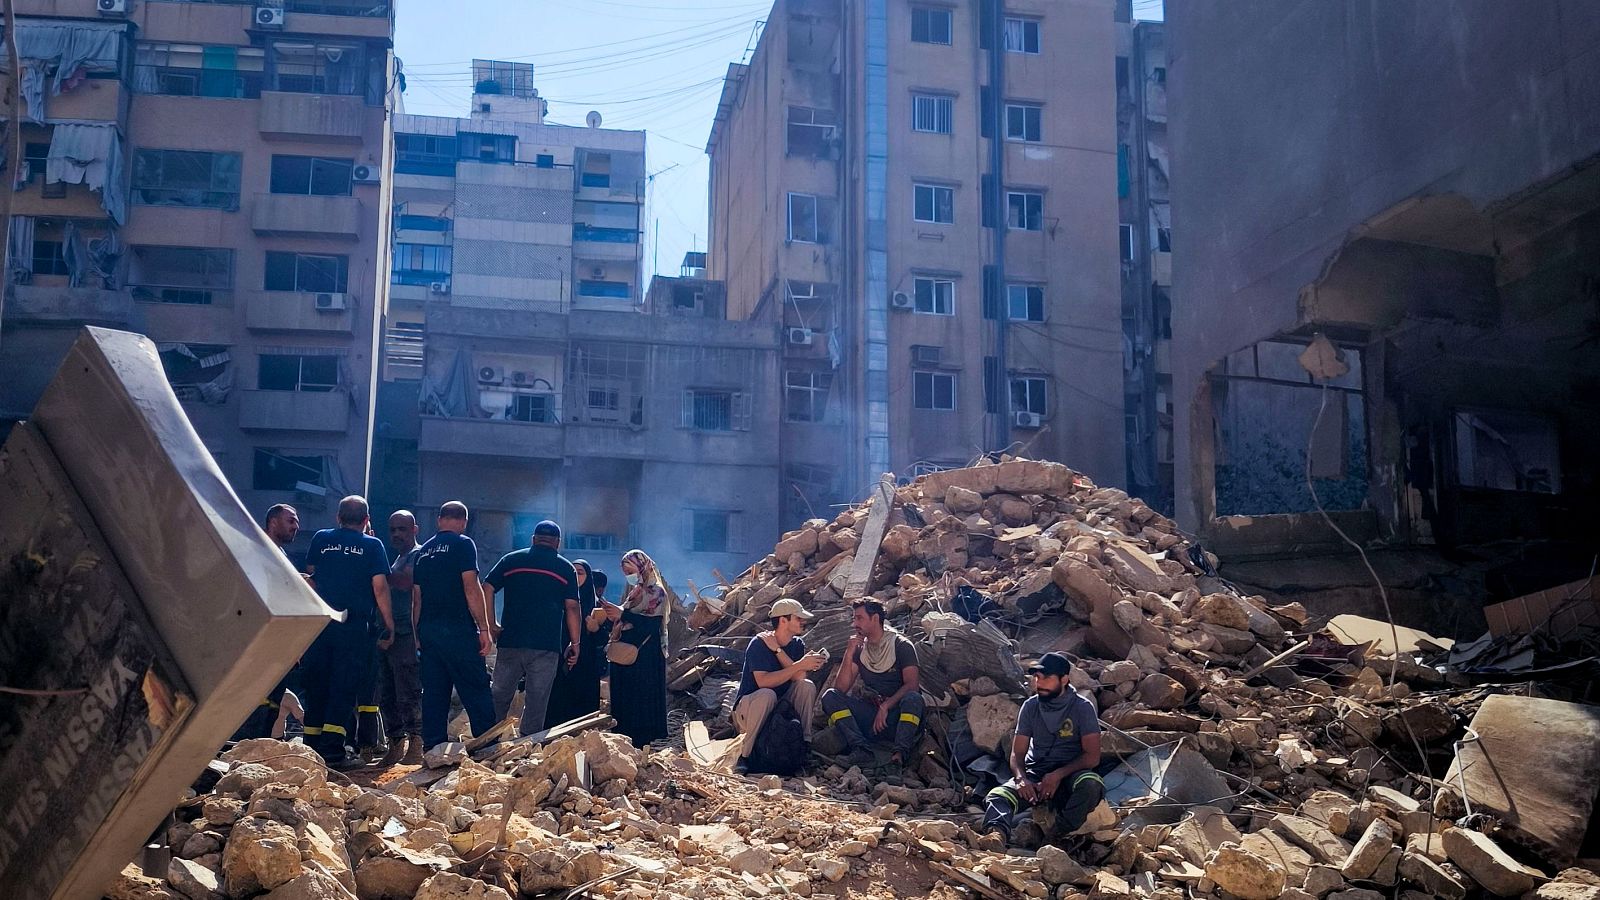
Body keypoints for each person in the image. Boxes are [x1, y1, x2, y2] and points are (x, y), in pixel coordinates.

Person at [300, 496, 394, 769]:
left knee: (317, 685)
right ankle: (333, 752)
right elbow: (379, 587)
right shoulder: (372, 545)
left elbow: (312, 574)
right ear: (366, 521)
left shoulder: (320, 538)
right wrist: (389, 624)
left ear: (338, 517)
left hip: (320, 625)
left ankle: (311, 749)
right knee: (343, 688)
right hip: (352, 628)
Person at [982, 652, 1104, 846]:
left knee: (1091, 784)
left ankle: (1057, 835)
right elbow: (1018, 752)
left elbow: (1092, 757)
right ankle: (996, 835)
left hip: (1070, 773)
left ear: (1064, 679)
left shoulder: (1082, 708)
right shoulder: (1030, 707)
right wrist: (1022, 779)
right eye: (1037, 677)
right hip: (1036, 772)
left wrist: (1057, 775)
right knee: (999, 795)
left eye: (1046, 678)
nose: (1039, 683)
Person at [482, 520, 583, 736]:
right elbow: (572, 607)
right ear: (557, 542)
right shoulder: (565, 568)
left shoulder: (512, 560)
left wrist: (491, 624)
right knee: (537, 700)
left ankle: (487, 741)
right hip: (545, 646)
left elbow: (487, 587)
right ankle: (528, 746)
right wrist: (575, 643)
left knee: (499, 695)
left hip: (511, 641)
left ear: (534, 539)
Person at [412, 501, 497, 752]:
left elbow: (417, 598)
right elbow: (471, 587)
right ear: (463, 522)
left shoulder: (422, 552)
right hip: (457, 629)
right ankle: (487, 745)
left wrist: (418, 634)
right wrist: (484, 628)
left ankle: (433, 746)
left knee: (435, 691)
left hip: (429, 631)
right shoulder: (463, 544)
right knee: (475, 686)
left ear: (439, 520)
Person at [818, 599, 925, 769]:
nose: (854, 624)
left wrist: (886, 706)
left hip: (897, 717)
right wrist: (849, 652)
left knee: (913, 699)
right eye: (854, 619)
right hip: (873, 716)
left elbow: (912, 685)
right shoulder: (860, 648)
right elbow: (840, 688)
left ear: (875, 618)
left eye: (859, 618)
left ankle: (898, 757)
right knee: (830, 697)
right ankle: (861, 749)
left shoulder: (901, 646)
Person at [232, 504, 304, 742]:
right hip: (259, 638)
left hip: (277, 640)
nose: (296, 526)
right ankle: (241, 750)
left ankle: (257, 749)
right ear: (273, 522)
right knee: (255, 699)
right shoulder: (257, 550)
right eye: (291, 521)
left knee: (273, 699)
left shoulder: (279, 554)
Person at [731, 598, 825, 775]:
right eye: (798, 618)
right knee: (767, 694)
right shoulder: (759, 644)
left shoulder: (797, 644)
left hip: (780, 704)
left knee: (807, 686)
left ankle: (803, 748)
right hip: (751, 706)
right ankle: (746, 755)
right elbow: (763, 682)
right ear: (783, 620)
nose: (803, 622)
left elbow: (799, 676)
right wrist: (800, 664)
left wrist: (778, 651)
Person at [601, 549, 671, 748]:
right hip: (626, 654)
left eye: (630, 570)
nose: (628, 575)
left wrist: (622, 615)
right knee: (624, 701)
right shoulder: (636, 591)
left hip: (645, 656)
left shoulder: (656, 592)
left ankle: (640, 745)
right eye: (625, 571)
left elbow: (652, 623)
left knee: (641, 701)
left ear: (642, 566)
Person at [378, 510, 424, 765]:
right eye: (393, 529)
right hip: (389, 634)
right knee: (388, 692)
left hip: (407, 634)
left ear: (414, 529)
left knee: (408, 691)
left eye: (402, 529)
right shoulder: (397, 559)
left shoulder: (418, 556)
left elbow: (409, 586)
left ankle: (416, 743)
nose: (396, 534)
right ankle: (395, 744)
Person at [544, 561, 607, 730]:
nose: (575, 576)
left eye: (579, 573)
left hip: (586, 665)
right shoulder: (556, 600)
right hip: (558, 659)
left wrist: (595, 629)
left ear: (588, 577)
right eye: (572, 572)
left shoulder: (598, 606)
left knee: (582, 706)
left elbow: (606, 639)